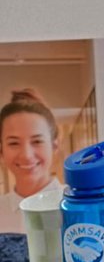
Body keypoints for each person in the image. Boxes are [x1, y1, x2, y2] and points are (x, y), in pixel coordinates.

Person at [0, 89, 61, 234]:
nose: (26, 155)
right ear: (1, 150)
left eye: (37, 141)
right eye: (14, 143)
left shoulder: (79, 206)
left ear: (54, 145)